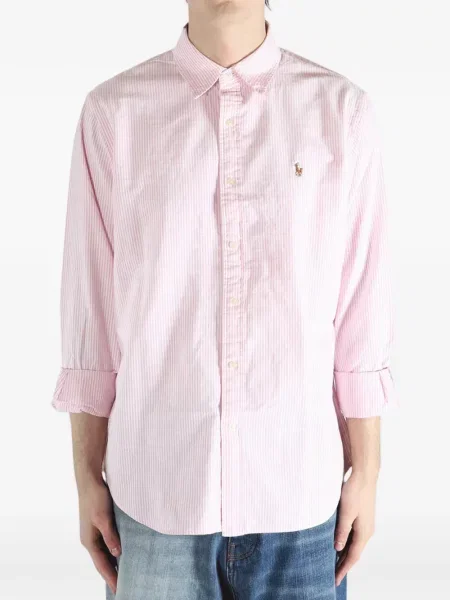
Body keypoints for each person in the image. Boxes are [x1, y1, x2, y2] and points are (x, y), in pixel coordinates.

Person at [51, 0, 396, 598]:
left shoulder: (341, 112)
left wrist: (367, 472)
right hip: (156, 500)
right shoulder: (113, 115)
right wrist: (85, 476)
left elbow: (362, 309)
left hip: (299, 497)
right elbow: (91, 315)